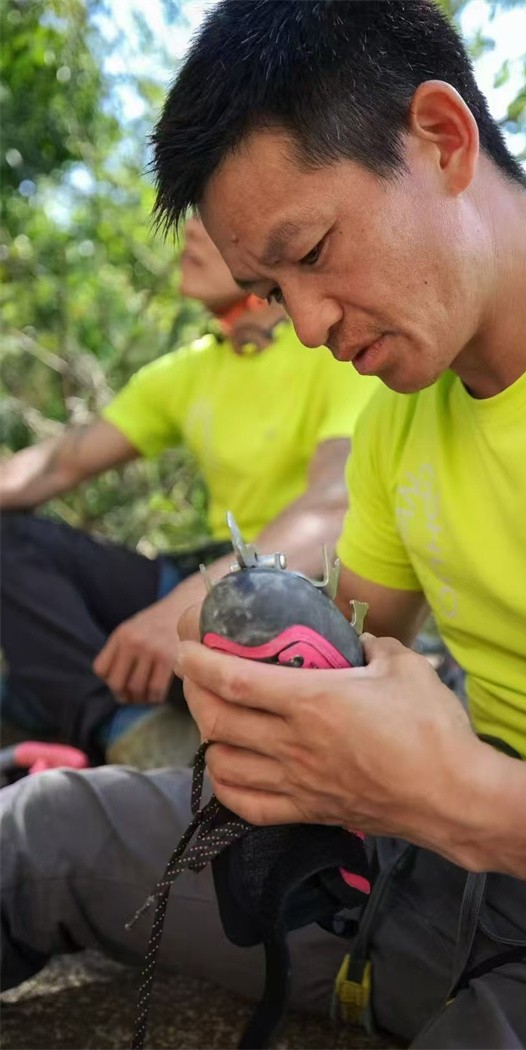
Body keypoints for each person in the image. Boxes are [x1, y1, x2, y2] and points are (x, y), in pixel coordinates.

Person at [2, 2, 526, 1047]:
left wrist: (461, 793)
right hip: (417, 865)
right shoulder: (401, 421)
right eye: (273, 291)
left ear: (441, 138)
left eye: (313, 251)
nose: (311, 325)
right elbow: (340, 631)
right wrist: (260, 703)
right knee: (39, 834)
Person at [0, 216, 378, 767]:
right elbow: (56, 465)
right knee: (11, 541)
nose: (191, 234)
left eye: (213, 218)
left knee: (28, 688)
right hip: (196, 578)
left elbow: (334, 509)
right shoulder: (184, 373)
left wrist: (186, 606)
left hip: (293, 596)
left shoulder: (333, 348)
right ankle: (126, 727)